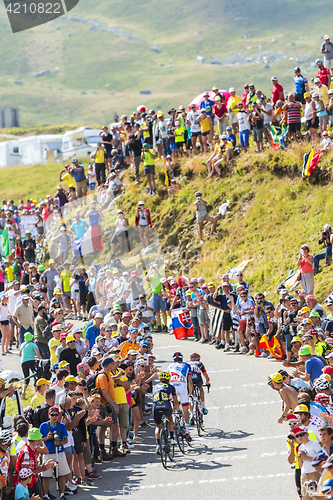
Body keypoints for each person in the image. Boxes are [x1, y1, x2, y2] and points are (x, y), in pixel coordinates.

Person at [39, 407, 70, 500]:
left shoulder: (62, 426)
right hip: (47, 453)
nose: (54, 417)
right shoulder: (43, 426)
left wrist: (59, 442)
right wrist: (47, 438)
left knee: (61, 474)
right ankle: (45, 495)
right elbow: (39, 441)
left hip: (59, 452)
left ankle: (62, 494)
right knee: (46, 476)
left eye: (56, 415)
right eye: (52, 415)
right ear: (48, 416)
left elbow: (66, 440)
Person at [168, 352, 192, 442]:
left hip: (172, 386)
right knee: (186, 410)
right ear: (182, 359)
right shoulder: (186, 365)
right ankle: (187, 432)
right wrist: (190, 394)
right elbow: (190, 381)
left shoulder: (169, 366)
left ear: (173, 360)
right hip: (182, 386)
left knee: (173, 407)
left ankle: (173, 421)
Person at [153, 371, 179, 454]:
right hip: (166, 405)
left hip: (156, 406)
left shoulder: (155, 386)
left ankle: (157, 445)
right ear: (169, 379)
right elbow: (175, 401)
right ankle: (171, 438)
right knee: (170, 418)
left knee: (158, 426)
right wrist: (178, 410)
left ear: (159, 380)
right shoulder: (171, 386)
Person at [145, 264, 167, 333]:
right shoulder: (152, 276)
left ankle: (165, 325)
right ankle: (159, 326)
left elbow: (165, 276)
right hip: (155, 294)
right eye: (154, 267)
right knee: (157, 311)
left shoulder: (161, 275)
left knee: (163, 310)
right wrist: (150, 270)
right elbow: (146, 279)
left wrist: (158, 270)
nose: (155, 269)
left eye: (155, 267)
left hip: (161, 293)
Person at [20, 332, 42, 398]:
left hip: (23, 362)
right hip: (31, 361)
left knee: (26, 377)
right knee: (36, 375)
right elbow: (37, 354)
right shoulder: (33, 345)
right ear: (30, 338)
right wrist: (42, 360)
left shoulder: (22, 344)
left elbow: (19, 354)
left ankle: (23, 391)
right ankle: (36, 392)